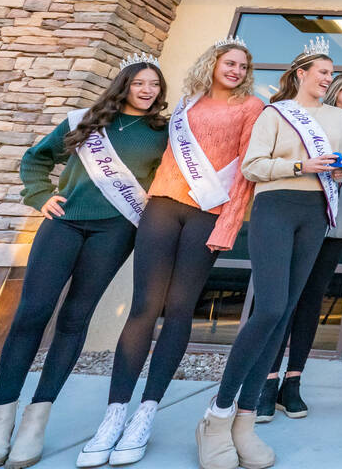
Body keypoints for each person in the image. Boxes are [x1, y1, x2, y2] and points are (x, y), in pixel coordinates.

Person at [0, 55, 168, 469]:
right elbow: (36, 159)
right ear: (124, 85)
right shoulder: (86, 121)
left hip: (115, 233)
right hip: (64, 225)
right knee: (31, 314)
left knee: (75, 320)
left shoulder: (161, 134)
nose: (148, 90)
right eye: (140, 83)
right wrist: (40, 196)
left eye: (154, 85)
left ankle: (35, 421)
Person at [78, 39, 263, 467]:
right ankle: (114, 413)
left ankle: (146, 412)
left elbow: (245, 174)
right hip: (162, 207)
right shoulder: (186, 104)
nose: (235, 69)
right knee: (144, 306)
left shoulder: (251, 108)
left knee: (179, 309)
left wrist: (230, 224)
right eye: (229, 62)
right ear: (212, 63)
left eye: (243, 65)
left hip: (207, 214)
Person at [195, 38, 342, 469]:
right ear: (301, 74)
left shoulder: (338, 116)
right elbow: (252, 166)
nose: (327, 79)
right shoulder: (274, 113)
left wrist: (337, 168)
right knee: (268, 310)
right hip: (275, 207)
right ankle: (217, 415)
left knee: (284, 313)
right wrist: (302, 166)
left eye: (331, 74)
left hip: (315, 211)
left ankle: (244, 422)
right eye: (322, 72)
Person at [259, 72, 342, 421]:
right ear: (336, 89)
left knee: (310, 303)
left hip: (336, 229)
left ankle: (292, 383)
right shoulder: (309, 122)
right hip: (300, 219)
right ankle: (266, 382)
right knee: (284, 301)